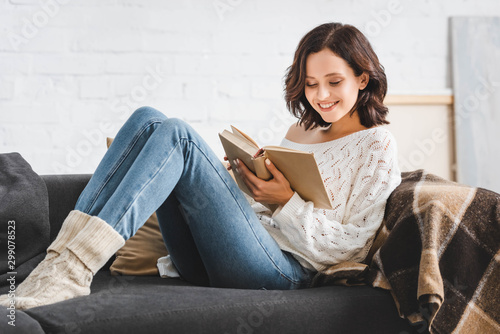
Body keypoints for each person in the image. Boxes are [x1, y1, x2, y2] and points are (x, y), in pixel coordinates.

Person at [0, 22, 401, 310]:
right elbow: (263, 212)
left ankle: (73, 268)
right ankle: (61, 261)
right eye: (311, 84)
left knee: (178, 134)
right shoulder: (300, 130)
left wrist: (286, 203)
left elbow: (354, 245)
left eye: (334, 82)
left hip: (286, 271)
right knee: (148, 117)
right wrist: (243, 182)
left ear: (362, 78)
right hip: (228, 254)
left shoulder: (377, 143)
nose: (321, 95)